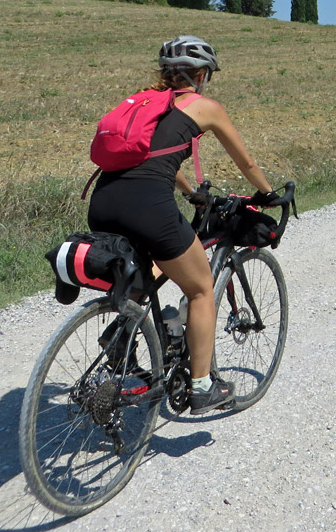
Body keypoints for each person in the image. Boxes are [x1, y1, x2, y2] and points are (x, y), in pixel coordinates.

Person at [87, 35, 276, 414]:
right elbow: (247, 164)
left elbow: (149, 155)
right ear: (202, 74)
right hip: (147, 207)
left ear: (165, 73)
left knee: (153, 265)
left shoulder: (146, 102)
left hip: (102, 202)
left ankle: (122, 329)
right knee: (201, 287)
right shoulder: (205, 106)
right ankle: (203, 387)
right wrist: (268, 194)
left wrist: (189, 191)